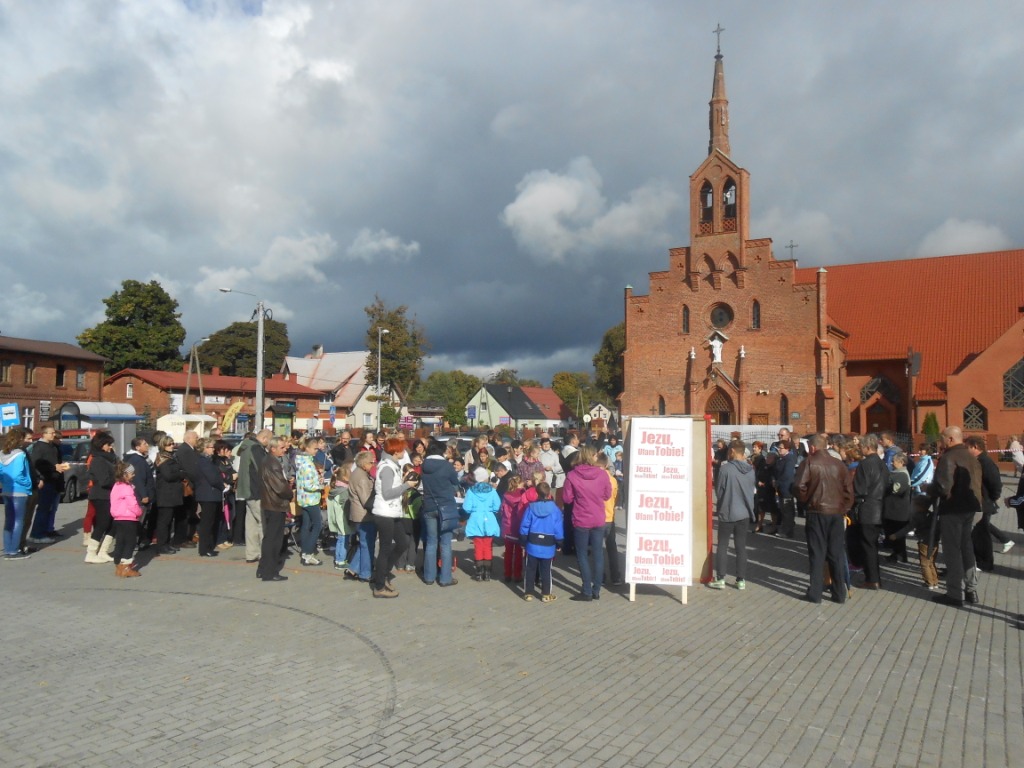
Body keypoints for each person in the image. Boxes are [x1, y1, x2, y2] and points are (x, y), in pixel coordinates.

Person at [794, 433, 855, 604]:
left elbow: (799, 486)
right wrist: (844, 508)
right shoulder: (839, 465)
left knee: (817, 553)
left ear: (812, 448)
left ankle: (815, 592)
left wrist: (806, 501)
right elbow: (849, 492)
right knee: (835, 553)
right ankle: (839, 592)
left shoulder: (809, 462)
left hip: (817, 512)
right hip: (836, 513)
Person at [930, 426, 983, 608]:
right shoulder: (971, 455)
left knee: (952, 550)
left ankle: (954, 593)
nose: (940, 442)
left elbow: (943, 487)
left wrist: (927, 489)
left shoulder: (949, 457)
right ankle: (971, 589)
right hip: (971, 507)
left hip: (953, 508)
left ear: (951, 439)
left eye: (942, 438)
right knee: (966, 547)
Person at [562, 445, 612, 602]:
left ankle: (587, 590)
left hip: (581, 519)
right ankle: (596, 589)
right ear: (593, 456)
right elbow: (607, 495)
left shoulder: (572, 475)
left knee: (582, 554)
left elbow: (567, 499)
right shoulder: (603, 474)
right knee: (598, 554)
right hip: (598, 518)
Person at [370, 437, 418, 598]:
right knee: (385, 548)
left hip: (393, 512)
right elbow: (387, 493)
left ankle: (382, 574)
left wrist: (404, 481)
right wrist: (406, 486)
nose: (404, 452)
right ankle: (379, 585)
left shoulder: (392, 466)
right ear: (395, 452)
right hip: (385, 513)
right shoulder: (387, 468)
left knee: (402, 542)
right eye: (402, 449)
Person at [708, 439, 756, 590]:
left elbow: (719, 491)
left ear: (733, 452)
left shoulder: (725, 469)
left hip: (728, 511)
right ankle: (740, 580)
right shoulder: (751, 470)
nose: (727, 452)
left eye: (729, 450)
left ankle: (720, 578)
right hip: (745, 512)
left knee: (722, 544)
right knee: (740, 546)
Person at [420, 441, 461, 587]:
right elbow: (455, 482)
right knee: (445, 543)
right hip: (446, 507)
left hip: (429, 506)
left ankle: (429, 577)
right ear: (442, 451)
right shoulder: (447, 466)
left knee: (431, 542)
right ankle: (445, 578)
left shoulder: (424, 466)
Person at [963, 435, 1006, 570]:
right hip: (978, 503)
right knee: (978, 533)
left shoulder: (985, 462)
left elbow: (995, 483)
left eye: (967, 447)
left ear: (975, 447)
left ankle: (985, 563)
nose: (965, 450)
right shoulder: (977, 461)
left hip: (984, 503)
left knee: (982, 535)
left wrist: (991, 498)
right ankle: (979, 560)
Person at [519, 482, 564, 602]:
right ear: (549, 493)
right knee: (546, 570)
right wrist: (559, 543)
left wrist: (523, 540)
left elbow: (524, 525)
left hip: (533, 542)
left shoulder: (530, 507)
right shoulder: (555, 509)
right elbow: (558, 529)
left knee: (530, 569)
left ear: (536, 493)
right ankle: (546, 594)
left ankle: (528, 593)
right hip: (548, 544)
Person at [852, 433, 886, 589]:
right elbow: (889, 484)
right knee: (872, 545)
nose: (860, 450)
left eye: (861, 447)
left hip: (867, 509)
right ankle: (874, 577)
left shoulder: (865, 464)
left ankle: (872, 579)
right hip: (879, 507)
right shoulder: (882, 463)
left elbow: (859, 489)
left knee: (868, 546)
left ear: (866, 447)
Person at [258, 436, 293, 582]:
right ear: (273, 448)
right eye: (281, 448)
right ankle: (269, 571)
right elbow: (279, 486)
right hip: (275, 504)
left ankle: (264, 569)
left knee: (269, 538)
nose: (285, 450)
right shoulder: (272, 463)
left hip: (271, 504)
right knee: (274, 539)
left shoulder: (270, 461)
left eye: (285, 447)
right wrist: (290, 492)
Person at [27, 426, 69, 543]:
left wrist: (59, 467)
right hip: (45, 481)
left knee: (49, 509)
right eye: (51, 433)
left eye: (54, 433)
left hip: (53, 480)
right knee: (43, 509)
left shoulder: (52, 447)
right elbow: (36, 464)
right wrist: (53, 468)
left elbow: (53, 462)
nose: (53, 435)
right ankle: (37, 535)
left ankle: (43, 532)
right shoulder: (39, 447)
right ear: (44, 434)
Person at [237, 429, 271, 565]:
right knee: (263, 523)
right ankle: (265, 553)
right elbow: (262, 469)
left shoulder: (246, 446)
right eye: (269, 440)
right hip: (256, 490)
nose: (269, 444)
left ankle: (251, 553)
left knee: (251, 523)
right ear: (264, 438)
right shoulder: (256, 448)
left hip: (247, 490)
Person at [1, 427, 34, 560]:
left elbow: (1, 473)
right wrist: (27, 483)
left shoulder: (2, 453)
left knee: (9, 521)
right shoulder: (20, 454)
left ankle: (9, 549)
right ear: (19, 439)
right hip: (20, 490)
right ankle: (14, 550)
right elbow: (17, 474)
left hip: (7, 490)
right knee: (18, 521)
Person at [344, 451, 377, 583]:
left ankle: (353, 568)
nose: (373, 464)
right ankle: (365, 573)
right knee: (367, 544)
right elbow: (366, 500)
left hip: (358, 514)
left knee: (364, 543)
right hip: (364, 516)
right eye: (371, 462)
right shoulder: (362, 477)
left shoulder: (357, 473)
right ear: (363, 463)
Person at [84, 433, 117, 565]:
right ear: (101, 445)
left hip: (110, 495)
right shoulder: (98, 460)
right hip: (101, 495)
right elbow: (104, 481)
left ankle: (103, 550)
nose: (111, 447)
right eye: (109, 444)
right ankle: (91, 552)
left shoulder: (109, 459)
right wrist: (119, 481)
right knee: (102, 523)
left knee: (113, 523)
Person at [463, 466, 501, 581]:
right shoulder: (492, 491)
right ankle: (488, 573)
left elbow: (466, 507)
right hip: (489, 519)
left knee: (478, 546)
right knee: (488, 546)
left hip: (476, 519)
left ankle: (479, 572)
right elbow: (497, 506)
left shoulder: (471, 491)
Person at [295, 436, 325, 566]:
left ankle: (305, 551)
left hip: (303, 498)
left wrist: (318, 479)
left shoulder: (303, 461)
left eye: (317, 449)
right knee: (317, 525)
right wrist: (320, 486)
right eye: (314, 449)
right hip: (310, 499)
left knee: (306, 525)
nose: (316, 451)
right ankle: (307, 553)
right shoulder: (307, 464)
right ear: (307, 448)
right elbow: (309, 485)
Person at [499, 475, 535, 584]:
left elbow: (501, 511)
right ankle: (517, 575)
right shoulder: (524, 495)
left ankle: (507, 574)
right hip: (519, 527)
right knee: (519, 552)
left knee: (508, 552)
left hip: (507, 527)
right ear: (520, 483)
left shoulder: (506, 495)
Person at [193, 438, 225, 558]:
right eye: (211, 447)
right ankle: (204, 548)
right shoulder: (203, 461)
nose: (213, 449)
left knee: (211, 522)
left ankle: (208, 546)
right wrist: (222, 486)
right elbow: (212, 478)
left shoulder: (209, 460)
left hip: (211, 495)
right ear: (205, 448)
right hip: (208, 495)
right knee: (207, 522)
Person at [109, 461, 142, 577]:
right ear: (125, 474)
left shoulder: (116, 486)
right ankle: (126, 566)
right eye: (131, 473)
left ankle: (118, 565)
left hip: (118, 518)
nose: (133, 475)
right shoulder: (126, 488)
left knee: (120, 542)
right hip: (128, 518)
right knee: (130, 542)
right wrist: (139, 512)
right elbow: (132, 503)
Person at [153, 435, 184, 555]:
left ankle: (166, 544)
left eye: (173, 443)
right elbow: (168, 476)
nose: (172, 446)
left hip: (171, 493)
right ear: (163, 445)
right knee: (164, 521)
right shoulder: (163, 458)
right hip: (166, 494)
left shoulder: (170, 457)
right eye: (169, 444)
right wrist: (180, 474)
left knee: (168, 520)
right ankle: (161, 545)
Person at [596, 452, 622, 587]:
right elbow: (615, 496)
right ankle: (616, 577)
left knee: (598, 548)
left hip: (597, 517)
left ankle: (600, 576)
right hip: (610, 516)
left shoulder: (594, 478)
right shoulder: (612, 479)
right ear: (607, 465)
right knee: (612, 548)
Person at [882, 453, 912, 564]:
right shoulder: (895, 473)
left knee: (898, 536)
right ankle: (897, 554)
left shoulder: (902, 475)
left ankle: (899, 556)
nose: (891, 463)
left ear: (901, 462)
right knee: (892, 533)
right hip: (892, 510)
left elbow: (896, 490)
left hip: (898, 512)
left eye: (894, 461)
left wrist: (885, 487)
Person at [326, 464, 351, 570]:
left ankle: (339, 559)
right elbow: (346, 504)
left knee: (340, 539)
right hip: (343, 519)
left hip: (337, 518)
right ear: (345, 478)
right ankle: (341, 560)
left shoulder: (335, 488)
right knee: (344, 539)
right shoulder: (344, 491)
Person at [773, 440, 798, 538]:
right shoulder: (780, 459)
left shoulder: (789, 458)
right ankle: (785, 529)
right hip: (780, 488)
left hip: (786, 489)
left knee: (787, 511)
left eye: (781, 448)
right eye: (778, 448)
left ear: (787, 449)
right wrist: (774, 479)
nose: (779, 450)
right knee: (783, 511)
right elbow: (776, 471)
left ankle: (788, 531)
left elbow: (787, 474)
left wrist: (777, 482)